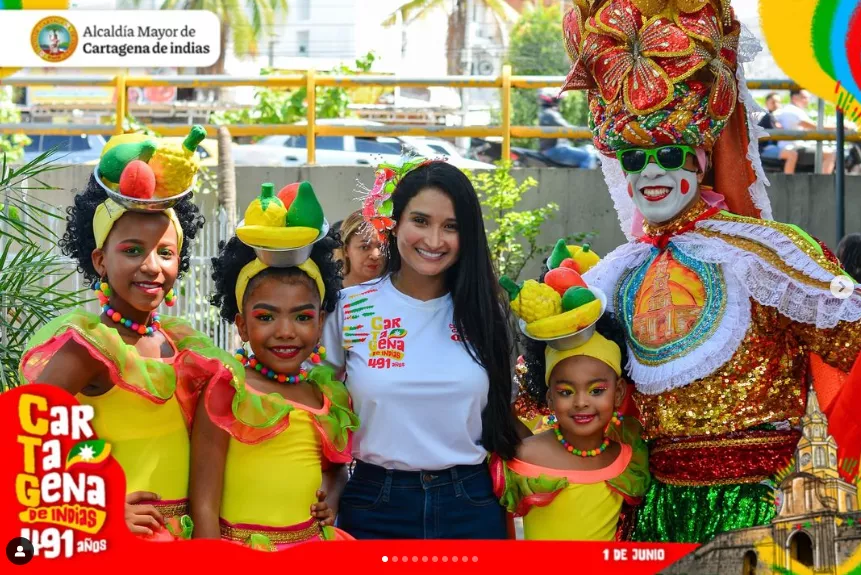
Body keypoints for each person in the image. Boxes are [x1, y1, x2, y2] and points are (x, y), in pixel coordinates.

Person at [561, 0, 861, 543]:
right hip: (659, 508)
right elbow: (553, 385)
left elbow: (853, 342)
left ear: (701, 159)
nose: (651, 173)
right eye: (634, 158)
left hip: (764, 508)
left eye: (669, 153)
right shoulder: (614, 273)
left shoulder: (766, 255)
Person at [18, 127, 224, 541]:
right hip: (118, 543)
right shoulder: (89, 349)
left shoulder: (181, 348)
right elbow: (27, 446)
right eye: (132, 250)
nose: (152, 266)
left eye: (165, 253)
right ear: (99, 259)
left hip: (181, 543)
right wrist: (101, 506)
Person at [321, 159, 520, 539]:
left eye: (452, 227)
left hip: (471, 505)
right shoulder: (349, 307)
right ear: (393, 221)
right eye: (421, 221)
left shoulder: (485, 310)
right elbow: (320, 411)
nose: (433, 241)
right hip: (373, 504)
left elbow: (505, 414)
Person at [193, 182, 358, 550]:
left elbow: (335, 470)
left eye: (302, 318)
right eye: (266, 317)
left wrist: (330, 497)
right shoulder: (229, 388)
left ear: (320, 323)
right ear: (242, 326)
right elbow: (203, 501)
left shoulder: (323, 394)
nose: (285, 332)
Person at [492, 256, 648, 541]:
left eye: (597, 390)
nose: (581, 402)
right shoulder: (523, 455)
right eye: (566, 392)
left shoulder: (628, 458)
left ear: (620, 393)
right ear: (549, 399)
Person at [775, 89, 835, 173]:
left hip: (795, 146)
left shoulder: (793, 110)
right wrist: (839, 127)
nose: (808, 101)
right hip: (792, 147)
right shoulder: (793, 110)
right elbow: (814, 126)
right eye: (804, 98)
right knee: (830, 154)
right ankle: (824, 183)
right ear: (794, 98)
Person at [537, 89, 598, 169]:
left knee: (589, 148)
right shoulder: (550, 115)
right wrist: (586, 134)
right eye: (558, 101)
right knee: (589, 156)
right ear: (554, 101)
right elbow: (568, 130)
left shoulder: (547, 113)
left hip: (555, 149)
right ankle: (583, 180)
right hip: (556, 150)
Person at [337, 210, 385, 288]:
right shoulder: (328, 294)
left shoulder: (398, 290)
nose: (376, 255)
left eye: (382, 246)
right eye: (365, 247)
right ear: (346, 249)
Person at [759, 92, 799, 174]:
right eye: (773, 102)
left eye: (778, 102)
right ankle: (788, 182)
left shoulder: (775, 117)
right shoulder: (769, 117)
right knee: (792, 155)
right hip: (765, 149)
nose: (776, 104)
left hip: (769, 148)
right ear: (767, 103)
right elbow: (780, 131)